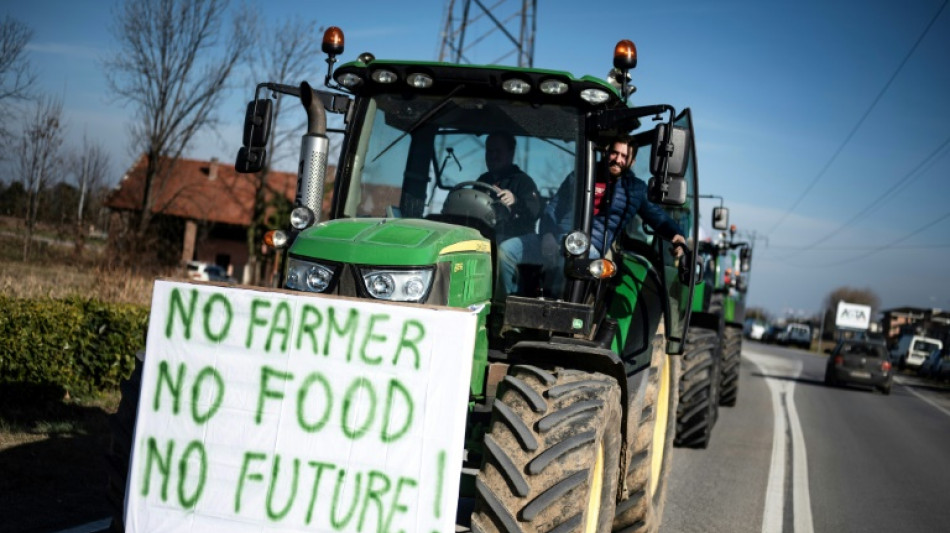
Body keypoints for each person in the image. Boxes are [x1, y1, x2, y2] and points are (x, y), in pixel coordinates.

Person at [498, 136, 686, 295]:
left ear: (632, 161)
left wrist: (676, 234)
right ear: (606, 152)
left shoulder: (635, 190)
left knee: (566, 263)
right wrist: (547, 235)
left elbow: (658, 217)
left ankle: (552, 314)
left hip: (591, 247)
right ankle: (505, 305)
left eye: (624, 156)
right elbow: (552, 209)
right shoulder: (579, 176)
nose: (617, 159)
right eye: (614, 153)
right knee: (506, 252)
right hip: (554, 238)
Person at [476, 132, 541, 242]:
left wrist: (515, 201)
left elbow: (534, 213)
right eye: (489, 151)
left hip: (514, 241)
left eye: (498, 151)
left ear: (511, 154)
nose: (493, 156)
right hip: (484, 237)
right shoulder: (482, 180)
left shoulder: (523, 182)